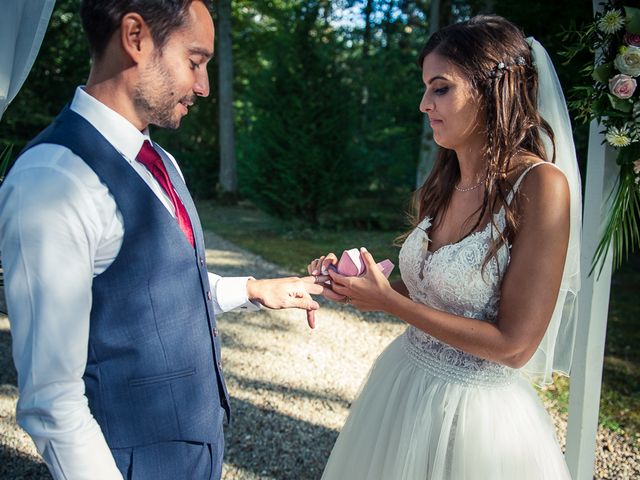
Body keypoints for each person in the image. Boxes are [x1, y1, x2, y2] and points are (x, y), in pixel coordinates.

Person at [0, 1, 324, 479]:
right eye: (195, 62)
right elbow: (52, 403)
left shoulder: (161, 162)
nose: (204, 86)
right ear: (135, 37)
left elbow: (151, 288)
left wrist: (253, 290)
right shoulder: (54, 179)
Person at [308, 14, 581, 480]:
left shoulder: (541, 186)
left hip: (476, 416)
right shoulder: (447, 179)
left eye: (440, 88)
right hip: (404, 387)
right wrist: (365, 288)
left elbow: (515, 346)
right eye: (425, 88)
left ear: (494, 90)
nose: (423, 104)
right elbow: (437, 292)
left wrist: (391, 303)